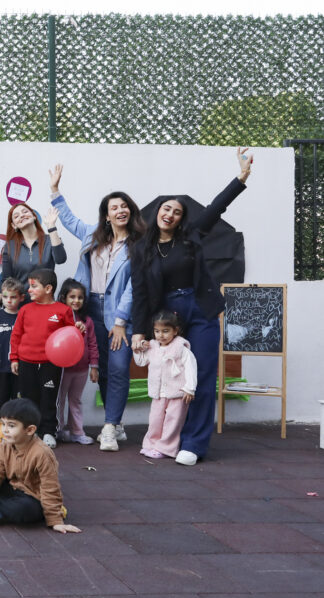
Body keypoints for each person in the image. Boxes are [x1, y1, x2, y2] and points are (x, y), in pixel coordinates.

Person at [131, 148, 253, 466]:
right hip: (168, 317)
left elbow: (216, 207)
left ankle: (195, 443)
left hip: (199, 309)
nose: (170, 214)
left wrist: (240, 178)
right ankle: (168, 440)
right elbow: (141, 293)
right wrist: (139, 331)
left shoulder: (191, 236)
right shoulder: (142, 250)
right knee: (172, 378)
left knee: (202, 374)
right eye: (166, 208)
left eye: (177, 212)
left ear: (181, 219)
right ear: (157, 212)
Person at [50, 164, 144, 451]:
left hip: (119, 313)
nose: (120, 210)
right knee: (101, 369)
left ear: (131, 212)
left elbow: (134, 286)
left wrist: (120, 320)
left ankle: (109, 427)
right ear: (106, 215)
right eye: (114, 207)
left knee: (118, 368)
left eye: (124, 206)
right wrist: (55, 190)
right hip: (91, 308)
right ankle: (115, 422)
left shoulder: (139, 244)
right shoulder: (93, 234)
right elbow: (69, 220)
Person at [0, 398, 80, 533]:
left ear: (29, 430)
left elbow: (50, 488)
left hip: (29, 497)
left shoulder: (42, 453)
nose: (5, 430)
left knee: (25, 509)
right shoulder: (5, 445)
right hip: (11, 489)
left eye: (11, 426)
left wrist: (55, 521)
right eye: (3, 424)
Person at [9, 268, 81, 448]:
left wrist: (80, 330)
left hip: (51, 363)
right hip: (26, 362)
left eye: (34, 286)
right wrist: (14, 358)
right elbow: (16, 335)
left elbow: (71, 336)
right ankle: (30, 432)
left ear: (48, 289)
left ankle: (48, 432)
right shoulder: (25, 310)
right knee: (28, 398)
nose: (29, 289)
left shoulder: (63, 310)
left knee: (49, 398)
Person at [0, 203, 68, 323]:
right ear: (14, 225)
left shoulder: (50, 240)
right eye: (16, 216)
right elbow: (6, 280)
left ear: (34, 216)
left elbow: (61, 259)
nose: (22, 215)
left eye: (25, 212)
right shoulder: (10, 246)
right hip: (19, 308)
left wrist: (51, 227)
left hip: (45, 306)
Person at [133, 310, 198, 460]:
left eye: (165, 331)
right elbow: (141, 362)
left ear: (175, 330)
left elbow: (191, 367)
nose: (161, 335)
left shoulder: (181, 348)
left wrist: (190, 388)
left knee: (172, 422)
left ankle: (166, 448)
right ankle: (151, 444)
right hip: (158, 393)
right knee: (155, 420)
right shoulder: (153, 347)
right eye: (157, 331)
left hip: (177, 393)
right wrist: (138, 350)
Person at [56, 279, 98, 445]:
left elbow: (92, 344)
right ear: (64, 298)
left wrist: (94, 366)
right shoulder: (59, 320)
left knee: (76, 400)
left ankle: (77, 432)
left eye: (80, 297)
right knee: (60, 400)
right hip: (63, 369)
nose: (76, 300)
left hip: (81, 369)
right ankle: (58, 430)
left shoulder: (88, 321)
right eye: (72, 297)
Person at [0, 278, 22, 405]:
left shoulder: (23, 316)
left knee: (18, 402)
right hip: (1, 368)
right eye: (5, 296)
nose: (8, 300)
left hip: (19, 368)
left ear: (21, 298)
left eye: (13, 297)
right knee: (3, 402)